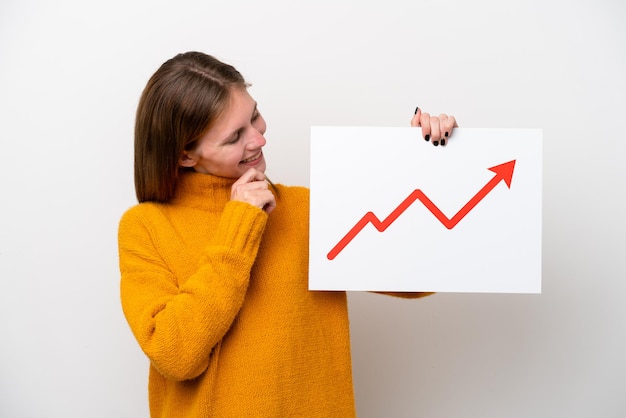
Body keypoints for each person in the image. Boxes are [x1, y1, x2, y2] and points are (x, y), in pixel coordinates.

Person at [118, 51, 458, 417]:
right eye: (234, 137)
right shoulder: (145, 228)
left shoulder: (305, 209)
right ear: (186, 155)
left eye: (254, 117)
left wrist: (428, 164)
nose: (259, 140)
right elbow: (177, 355)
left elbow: (417, 280)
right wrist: (239, 226)